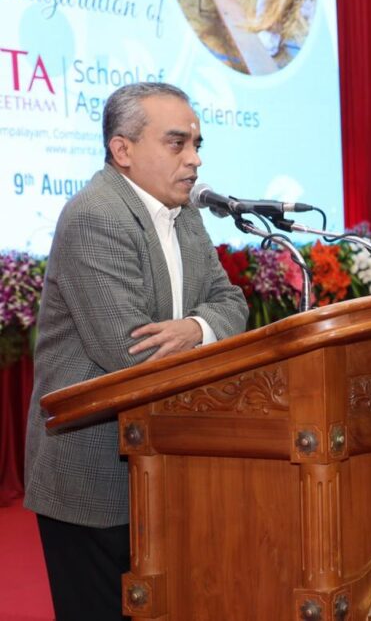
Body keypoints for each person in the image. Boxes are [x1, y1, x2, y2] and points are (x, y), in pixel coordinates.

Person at [23, 82, 249, 620]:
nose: (194, 160)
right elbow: (131, 353)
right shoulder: (96, 215)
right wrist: (205, 328)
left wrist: (195, 327)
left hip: (163, 466)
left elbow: (232, 302)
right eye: (177, 144)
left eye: (197, 144)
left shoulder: (185, 214)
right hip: (94, 477)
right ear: (123, 150)